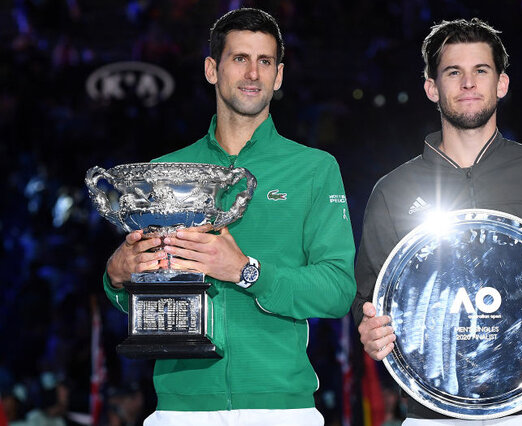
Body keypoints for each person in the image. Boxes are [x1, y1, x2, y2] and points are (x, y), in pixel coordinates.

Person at [351, 18, 522, 425]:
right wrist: (370, 330)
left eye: (481, 71)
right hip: (433, 411)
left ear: (502, 84)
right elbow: (370, 299)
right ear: (432, 88)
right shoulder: (393, 190)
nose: (468, 83)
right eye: (453, 72)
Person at [102, 8, 356, 426]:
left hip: (280, 407)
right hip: (180, 406)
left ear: (279, 76)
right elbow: (145, 287)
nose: (253, 73)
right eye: (240, 58)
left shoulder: (314, 168)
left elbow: (338, 290)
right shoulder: (165, 171)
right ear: (211, 69)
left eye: (265, 61)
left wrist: (244, 270)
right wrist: (116, 276)